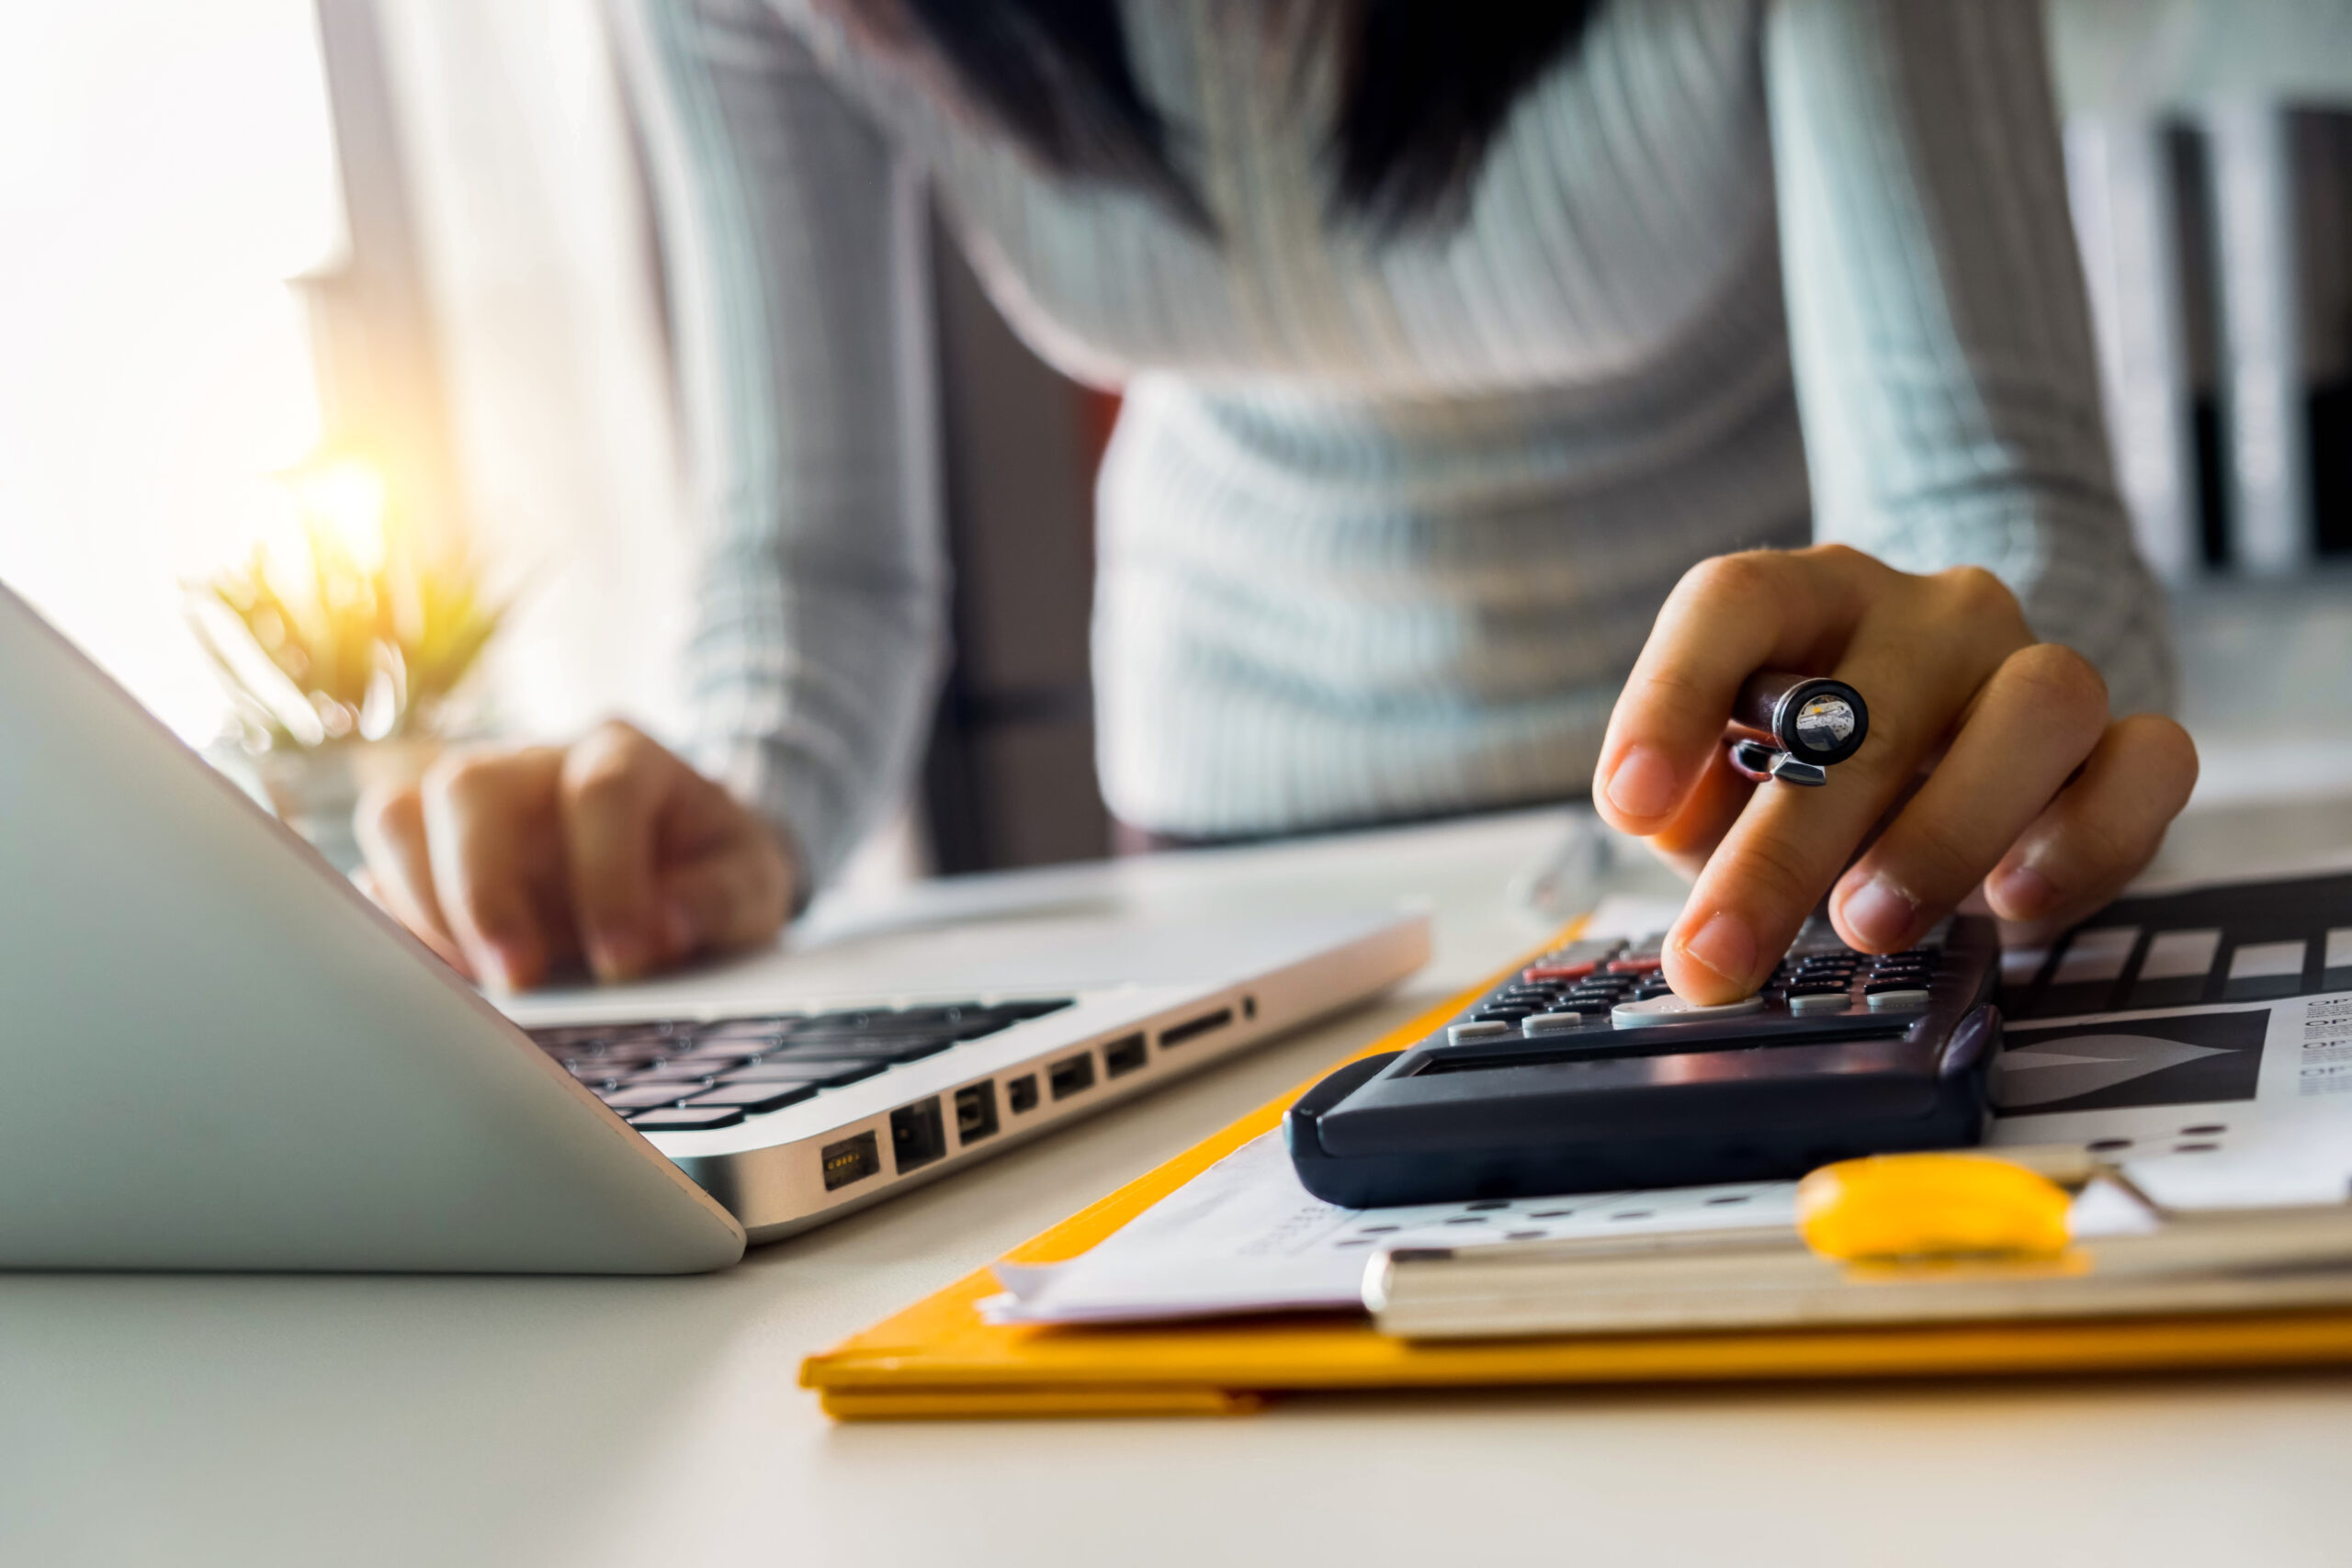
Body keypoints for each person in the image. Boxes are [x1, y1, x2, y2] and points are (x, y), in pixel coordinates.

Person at [357, 0, 2197, 1009]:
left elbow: (1984, 504)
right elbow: (811, 578)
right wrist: (716, 807)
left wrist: (1968, 707)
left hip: (1768, 841)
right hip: (1220, 887)